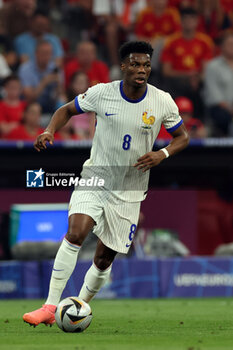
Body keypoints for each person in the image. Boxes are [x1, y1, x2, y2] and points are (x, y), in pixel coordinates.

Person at [23, 41, 189, 327]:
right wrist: (49, 130)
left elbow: (182, 136)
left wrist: (161, 154)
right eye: (135, 64)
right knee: (75, 233)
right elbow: (66, 110)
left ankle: (79, 307)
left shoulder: (162, 101)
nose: (141, 70)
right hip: (96, 178)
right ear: (123, 66)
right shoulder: (101, 93)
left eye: (146, 65)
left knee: (103, 260)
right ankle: (50, 307)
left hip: (130, 190)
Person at [18, 40, 65, 113]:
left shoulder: (55, 69)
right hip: (32, 104)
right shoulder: (25, 69)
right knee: (35, 107)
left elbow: (61, 93)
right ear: (36, 53)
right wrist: (44, 83)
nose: (47, 56)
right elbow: (29, 97)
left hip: (50, 103)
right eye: (44, 53)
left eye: (49, 53)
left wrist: (58, 84)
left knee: (62, 100)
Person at [204, 32, 233, 136]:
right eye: (229, 44)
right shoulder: (213, 66)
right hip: (220, 108)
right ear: (222, 47)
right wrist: (230, 109)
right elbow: (214, 95)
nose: (232, 47)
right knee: (223, 116)